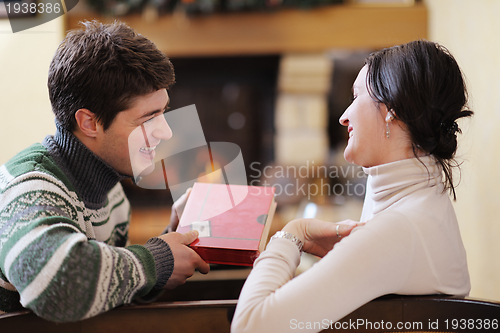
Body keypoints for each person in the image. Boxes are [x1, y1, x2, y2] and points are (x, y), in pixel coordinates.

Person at [231, 40, 472, 333]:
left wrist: (292, 233)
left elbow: (250, 327)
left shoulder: (401, 228)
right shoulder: (421, 199)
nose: (344, 116)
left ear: (391, 110)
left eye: (357, 96)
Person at [0, 20, 209, 322]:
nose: (165, 132)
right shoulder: (30, 185)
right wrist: (157, 260)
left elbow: (105, 292)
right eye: (148, 118)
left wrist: (171, 241)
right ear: (89, 123)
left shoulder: (112, 196)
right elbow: (62, 289)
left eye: (163, 112)